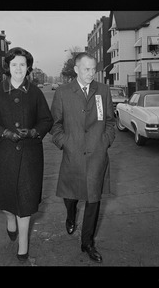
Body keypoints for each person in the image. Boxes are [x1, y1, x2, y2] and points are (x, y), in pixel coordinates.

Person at [0, 47, 53, 261]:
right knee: (6, 201)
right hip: (4, 154)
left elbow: (46, 120)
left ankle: (23, 246)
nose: (19, 68)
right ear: (8, 67)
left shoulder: (36, 92)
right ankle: (9, 219)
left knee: (26, 202)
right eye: (14, 64)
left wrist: (33, 131)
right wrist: (4, 133)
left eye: (22, 64)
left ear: (28, 67)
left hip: (30, 156)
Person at [50, 52, 115, 263]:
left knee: (93, 199)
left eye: (93, 69)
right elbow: (55, 125)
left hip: (97, 154)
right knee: (71, 196)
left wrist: (104, 142)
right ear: (76, 69)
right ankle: (70, 214)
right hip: (73, 154)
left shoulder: (103, 90)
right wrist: (66, 143)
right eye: (86, 69)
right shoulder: (63, 92)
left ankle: (87, 242)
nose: (91, 73)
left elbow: (110, 121)